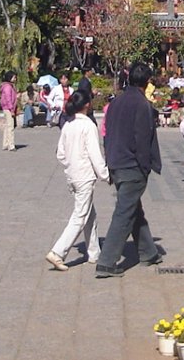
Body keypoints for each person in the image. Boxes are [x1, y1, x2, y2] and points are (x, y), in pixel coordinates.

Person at [97, 62, 163, 278]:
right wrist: (145, 167)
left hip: (116, 162)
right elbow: (142, 139)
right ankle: (107, 262)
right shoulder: (142, 104)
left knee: (133, 209)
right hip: (132, 165)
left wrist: (109, 161)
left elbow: (106, 133)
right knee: (124, 212)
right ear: (147, 82)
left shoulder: (116, 102)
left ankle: (148, 252)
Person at [46, 91, 110, 271]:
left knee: (90, 214)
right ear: (87, 105)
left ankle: (94, 252)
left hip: (72, 176)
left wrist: (70, 164)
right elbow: (95, 154)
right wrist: (105, 174)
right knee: (80, 216)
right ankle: (58, 252)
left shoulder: (68, 124)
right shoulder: (88, 125)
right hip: (84, 177)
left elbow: (60, 153)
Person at [0, 71, 18, 151]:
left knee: (7, 126)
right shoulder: (8, 87)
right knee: (10, 126)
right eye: (14, 77)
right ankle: (11, 145)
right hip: (8, 108)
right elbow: (8, 99)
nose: (15, 79)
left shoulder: (9, 86)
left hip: (6, 108)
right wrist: (11, 109)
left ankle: (6, 143)